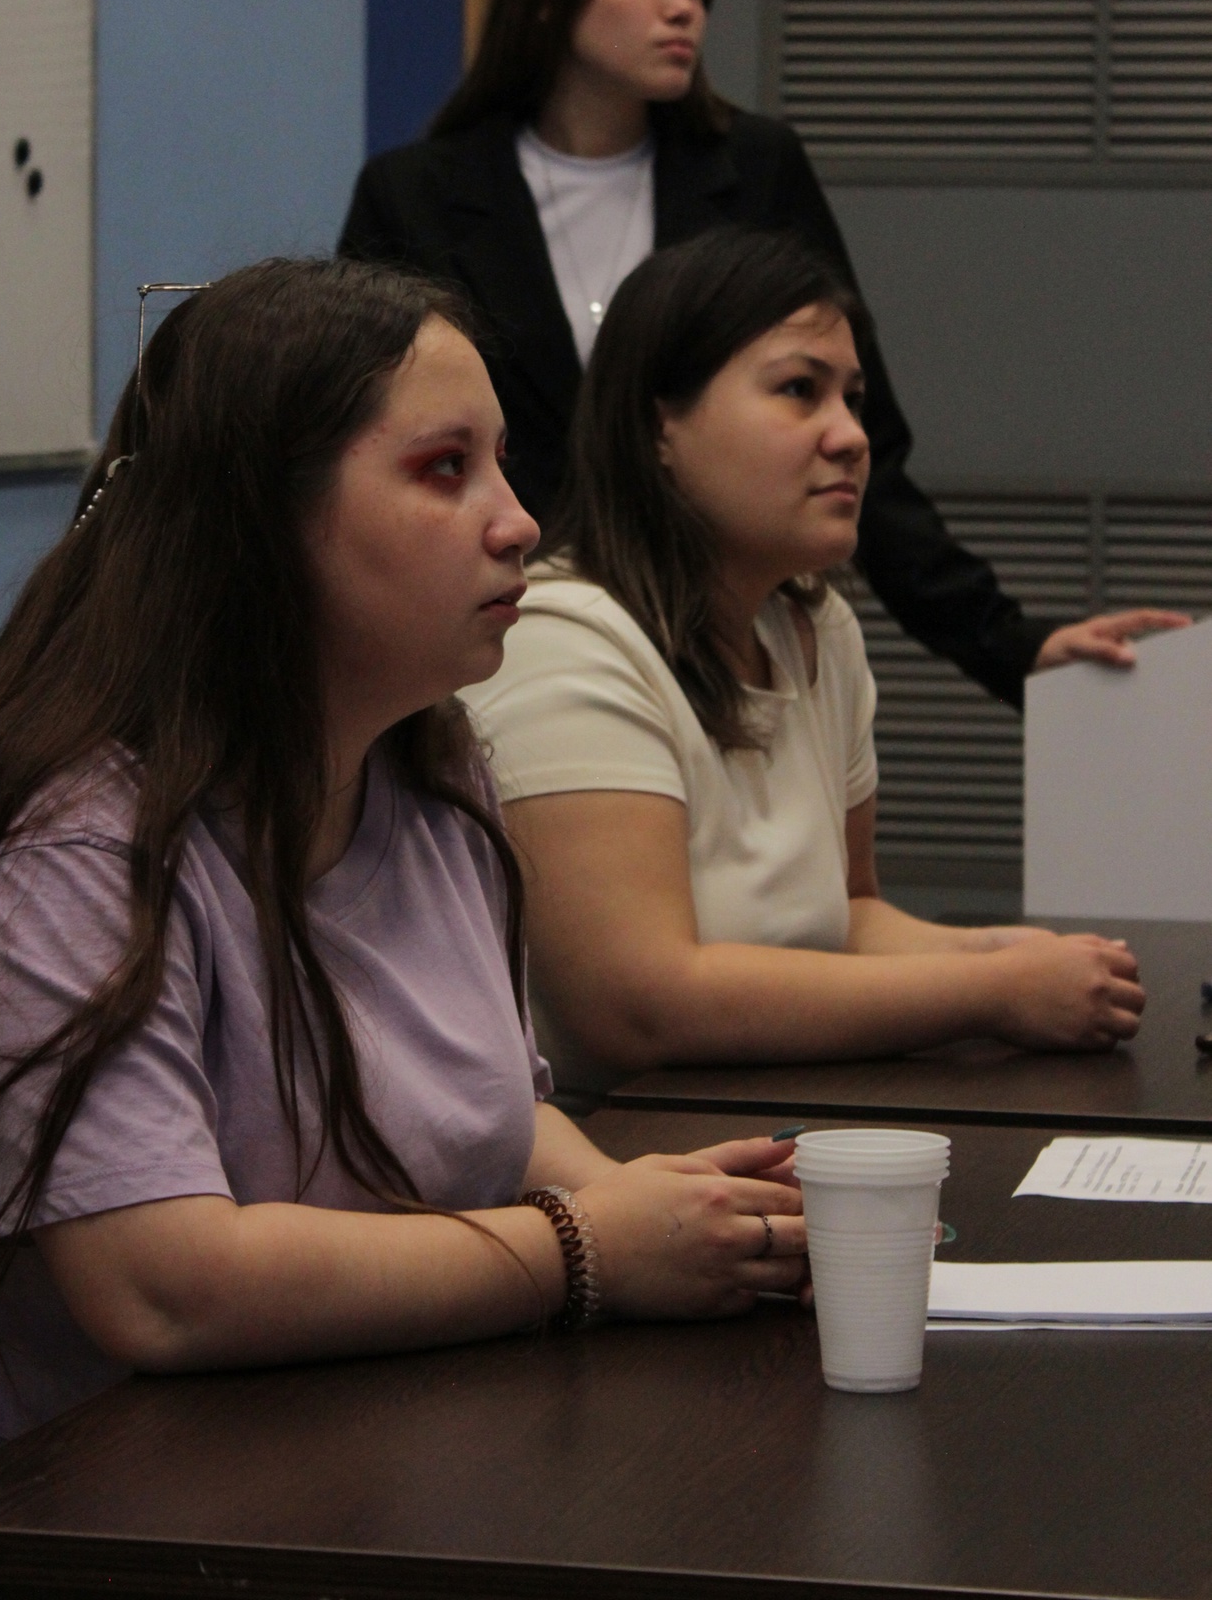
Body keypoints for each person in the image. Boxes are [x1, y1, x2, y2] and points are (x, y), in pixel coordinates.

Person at [0, 259, 807, 1597]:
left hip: (248, 1451)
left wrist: (643, 1206)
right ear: (260, 523)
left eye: (501, 464)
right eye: (444, 470)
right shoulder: (67, 837)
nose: (517, 522)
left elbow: (498, 1115)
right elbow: (165, 1286)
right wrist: (587, 1250)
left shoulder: (430, 768)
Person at [339, 0, 1183, 708]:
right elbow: (366, 459)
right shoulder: (416, 194)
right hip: (502, 659)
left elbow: (854, 442)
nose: (682, 6)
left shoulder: (754, 171)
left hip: (716, 653)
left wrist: (1008, 642)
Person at [464, 227, 1148, 1096]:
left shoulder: (814, 625)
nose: (851, 436)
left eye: (852, 399)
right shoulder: (558, 639)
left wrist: (1006, 952)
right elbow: (637, 1006)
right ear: (658, 424)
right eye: (799, 390)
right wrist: (992, 990)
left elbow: (846, 918)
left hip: (774, 1115)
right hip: (623, 1144)